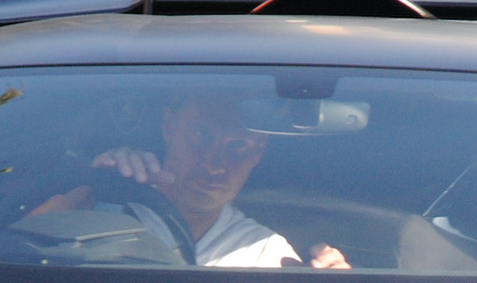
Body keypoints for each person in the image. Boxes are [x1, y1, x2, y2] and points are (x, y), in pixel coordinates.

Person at [35, 95, 349, 268]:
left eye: (237, 146)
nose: (214, 164)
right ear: (169, 126)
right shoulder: (102, 205)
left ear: (259, 153)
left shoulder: (265, 254)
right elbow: (15, 253)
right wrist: (86, 186)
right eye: (201, 135)